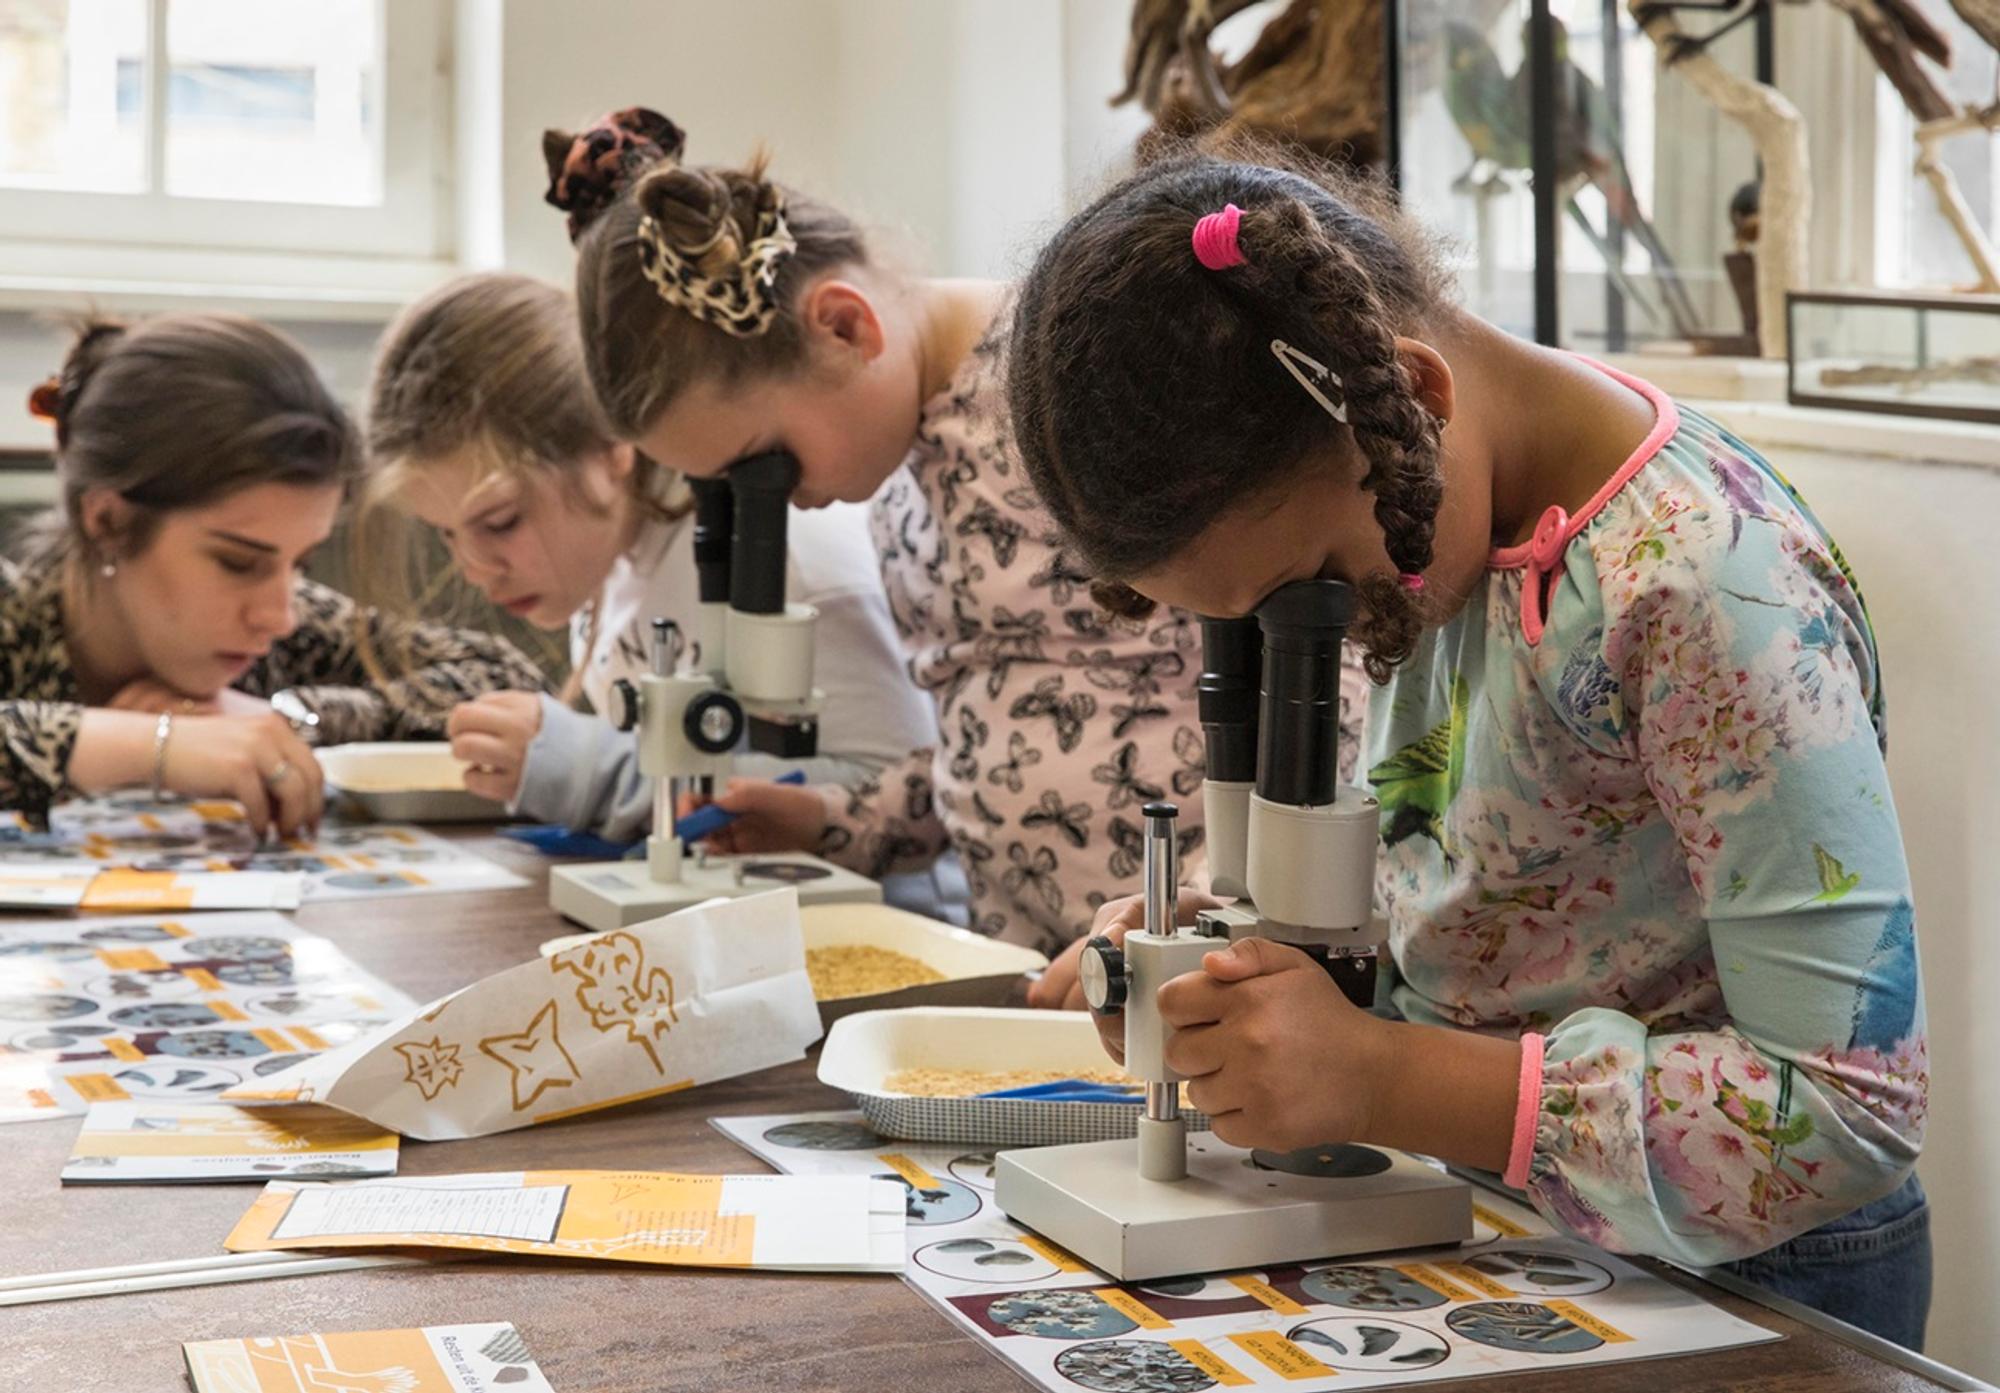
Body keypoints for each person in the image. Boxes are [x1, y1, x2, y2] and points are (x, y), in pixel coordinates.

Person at [1011, 148, 1930, 1346]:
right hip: (1512, 1230)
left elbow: (1848, 1108)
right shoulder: (1443, 515)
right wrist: (1238, 976)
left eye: (1319, 592)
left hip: (1757, 1283)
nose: (1326, 635)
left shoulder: (1704, 585)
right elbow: (1480, 895)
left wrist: (1381, 1078)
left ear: (1414, 399)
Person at [560, 106, 1217, 952]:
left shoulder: (1078, 388)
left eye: (767, 469)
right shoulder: (903, 476)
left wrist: (1187, 920)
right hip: (1036, 970)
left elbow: (1315, 693)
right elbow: (988, 743)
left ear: (844, 327)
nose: (779, 505)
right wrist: (838, 821)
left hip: (1187, 970)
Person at [361, 269, 934, 844]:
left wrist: (593, 768)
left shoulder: (793, 556)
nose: (475, 567)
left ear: (613, 447)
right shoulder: (607, 570)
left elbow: (910, 797)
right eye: (446, 534)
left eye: (501, 522)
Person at [1, 315, 544, 837]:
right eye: (237, 563)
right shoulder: (13, 616)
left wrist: (291, 718)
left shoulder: (290, 627)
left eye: (299, 564)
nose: (279, 616)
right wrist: (147, 744)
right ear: (109, 522)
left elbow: (510, 686)